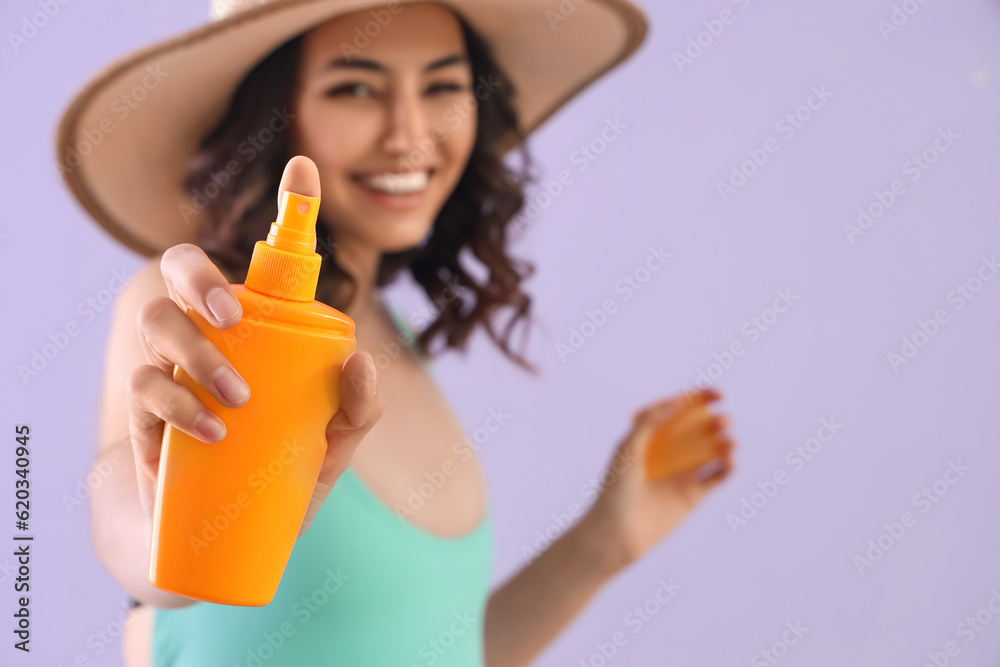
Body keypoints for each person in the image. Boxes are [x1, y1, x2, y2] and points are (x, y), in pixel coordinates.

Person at [56, 1, 736, 665]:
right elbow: (136, 534)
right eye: (355, 87)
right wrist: (175, 523)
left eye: (442, 85)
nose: (409, 132)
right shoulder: (195, 313)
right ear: (274, 115)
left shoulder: (391, 335)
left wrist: (601, 545)